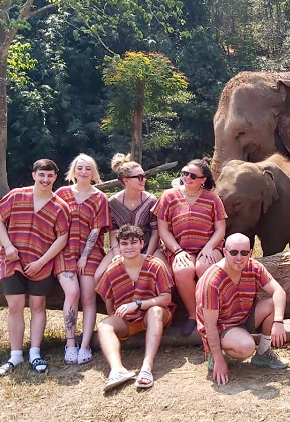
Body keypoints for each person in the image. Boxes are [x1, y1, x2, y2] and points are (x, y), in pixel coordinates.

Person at [0, 159, 70, 376]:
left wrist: (41, 262)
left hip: (41, 264)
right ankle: (15, 355)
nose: (45, 179)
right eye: (41, 175)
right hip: (13, 261)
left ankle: (35, 353)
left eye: (50, 176)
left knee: (38, 306)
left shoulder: (59, 206)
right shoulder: (17, 196)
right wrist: (8, 246)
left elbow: (62, 238)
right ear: (33, 175)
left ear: (55, 177)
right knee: (15, 307)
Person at [196, 233, 288, 386]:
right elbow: (209, 325)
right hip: (222, 326)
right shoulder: (212, 281)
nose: (239, 257)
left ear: (250, 253)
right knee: (247, 347)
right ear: (225, 252)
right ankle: (215, 353)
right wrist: (219, 360)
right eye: (234, 252)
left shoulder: (253, 266)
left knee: (273, 303)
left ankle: (264, 352)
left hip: (244, 317)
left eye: (244, 253)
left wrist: (278, 321)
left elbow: (279, 292)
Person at [95, 225, 175, 392]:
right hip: (127, 322)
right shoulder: (112, 270)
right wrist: (114, 317)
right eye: (124, 243)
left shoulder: (156, 265)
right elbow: (107, 298)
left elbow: (166, 299)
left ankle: (146, 367)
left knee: (156, 310)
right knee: (104, 325)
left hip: (153, 315)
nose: (129, 247)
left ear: (142, 243)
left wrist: (138, 304)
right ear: (118, 247)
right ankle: (117, 370)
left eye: (133, 242)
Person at [153, 158, 227, 336]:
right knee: (182, 272)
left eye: (193, 175)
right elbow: (163, 230)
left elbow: (220, 229)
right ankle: (193, 316)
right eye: (185, 173)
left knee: (205, 269)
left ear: (203, 179)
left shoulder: (212, 198)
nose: (187, 177)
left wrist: (209, 247)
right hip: (180, 249)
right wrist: (177, 250)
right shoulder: (168, 196)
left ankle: (210, 316)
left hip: (209, 247)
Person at [56, 153, 111, 365]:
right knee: (73, 293)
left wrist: (84, 257)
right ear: (73, 171)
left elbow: (96, 231)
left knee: (88, 298)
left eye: (88, 168)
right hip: (65, 251)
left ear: (94, 172)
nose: (84, 172)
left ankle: (85, 344)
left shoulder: (99, 198)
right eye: (80, 168)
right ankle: (70, 343)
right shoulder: (61, 194)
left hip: (90, 253)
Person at [93, 153, 166, 283]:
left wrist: (147, 256)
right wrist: (117, 256)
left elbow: (156, 233)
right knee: (99, 276)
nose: (144, 179)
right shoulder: (113, 203)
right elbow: (113, 232)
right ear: (126, 180)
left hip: (149, 246)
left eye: (144, 176)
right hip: (123, 247)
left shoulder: (151, 201)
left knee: (166, 274)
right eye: (139, 177)